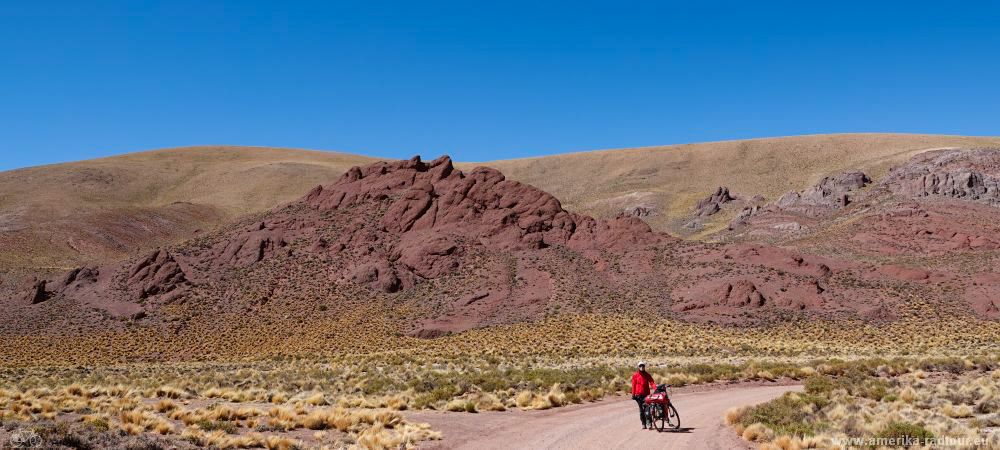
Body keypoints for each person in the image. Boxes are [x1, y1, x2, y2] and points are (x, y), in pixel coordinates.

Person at [630, 361, 657, 429]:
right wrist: (633, 394)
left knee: (648, 409)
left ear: (644, 367)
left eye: (642, 366)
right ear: (638, 367)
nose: (641, 367)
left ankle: (649, 423)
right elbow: (633, 385)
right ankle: (643, 423)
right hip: (638, 395)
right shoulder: (635, 375)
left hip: (646, 395)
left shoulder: (647, 375)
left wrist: (656, 389)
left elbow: (652, 383)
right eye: (640, 366)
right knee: (641, 410)